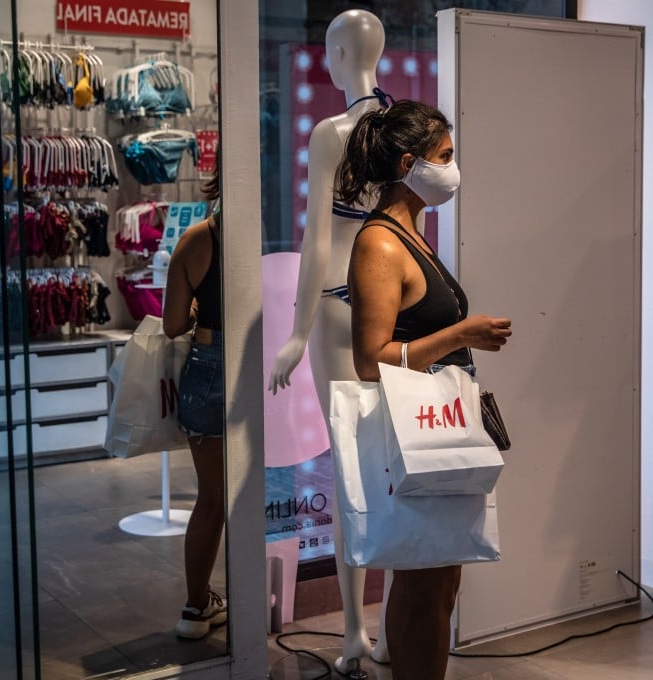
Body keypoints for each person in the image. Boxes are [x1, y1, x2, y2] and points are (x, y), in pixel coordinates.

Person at [338, 99, 513, 678]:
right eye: (446, 156)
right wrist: (462, 333)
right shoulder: (381, 244)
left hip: (438, 425)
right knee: (422, 586)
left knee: (440, 582)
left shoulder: (409, 235)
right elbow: (370, 360)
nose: (453, 167)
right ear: (410, 162)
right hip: (415, 431)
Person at [268, 9, 392, 671]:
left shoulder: (331, 134)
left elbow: (319, 238)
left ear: (342, 53)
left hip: (342, 307)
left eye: (328, 51)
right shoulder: (407, 128)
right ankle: (394, 625)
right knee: (394, 471)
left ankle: (352, 634)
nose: (325, 60)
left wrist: (296, 331)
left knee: (350, 476)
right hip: (397, 304)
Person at [163, 151, 227, 640]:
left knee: (211, 499)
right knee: (257, 494)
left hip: (207, 366)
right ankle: (255, 596)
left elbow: (172, 325)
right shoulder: (273, 239)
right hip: (260, 367)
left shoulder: (196, 238)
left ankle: (195, 606)